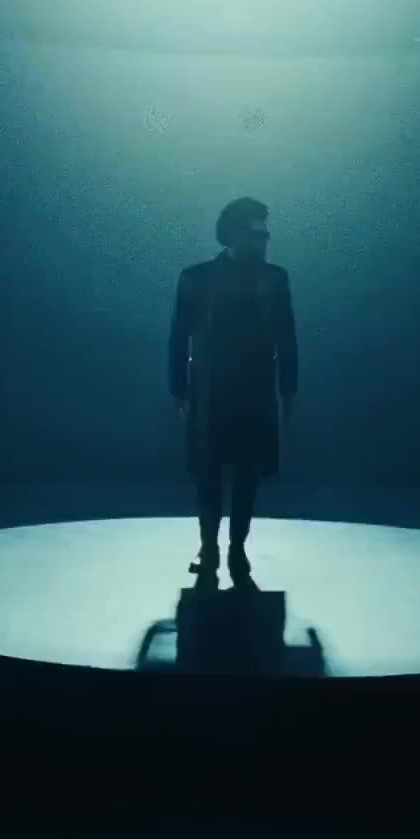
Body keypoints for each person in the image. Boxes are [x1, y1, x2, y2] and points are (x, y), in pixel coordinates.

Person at [168, 197, 298, 581]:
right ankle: (210, 546)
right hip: (210, 389)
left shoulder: (275, 278)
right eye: (256, 232)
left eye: (265, 232)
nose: (263, 239)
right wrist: (179, 388)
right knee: (208, 471)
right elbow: (178, 336)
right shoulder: (197, 277)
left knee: (247, 471)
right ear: (234, 233)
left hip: (254, 389)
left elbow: (287, 337)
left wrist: (288, 388)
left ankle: (236, 546)